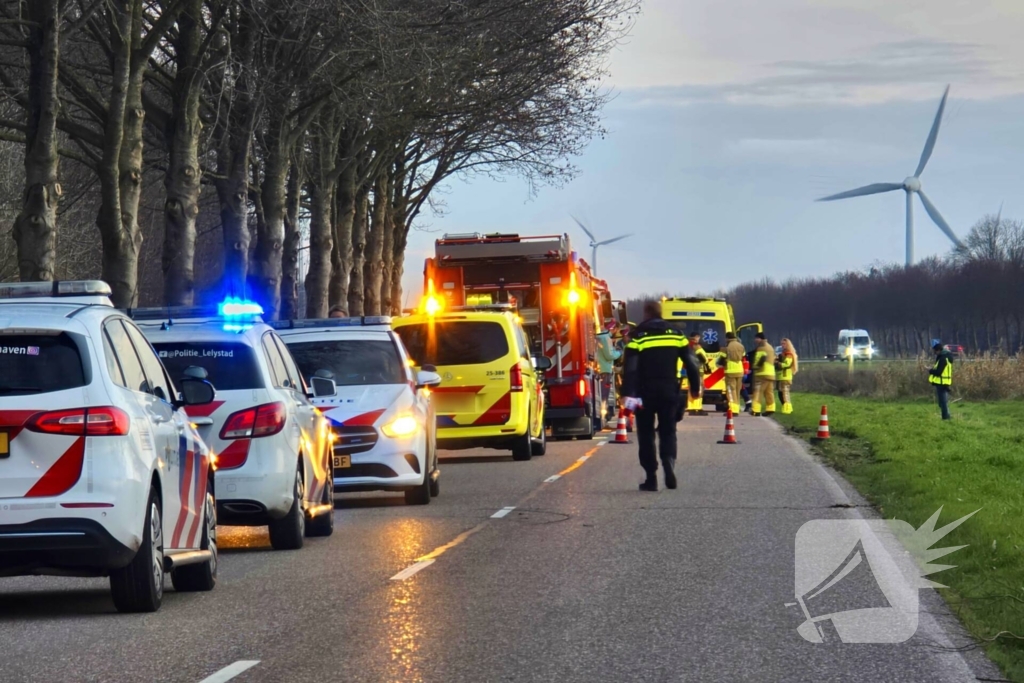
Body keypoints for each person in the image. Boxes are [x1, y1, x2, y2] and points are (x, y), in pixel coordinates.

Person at [623, 301, 701, 492]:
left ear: (646, 314)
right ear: (661, 313)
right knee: (668, 431)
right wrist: (695, 387)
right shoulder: (676, 335)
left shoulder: (638, 337)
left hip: (644, 393)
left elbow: (631, 369)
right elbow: (692, 363)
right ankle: (668, 460)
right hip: (669, 390)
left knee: (646, 434)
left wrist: (627, 394)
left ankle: (651, 478)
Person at [596, 328, 621, 413]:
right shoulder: (605, 338)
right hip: (605, 369)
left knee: (602, 393)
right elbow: (609, 356)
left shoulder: (600, 336)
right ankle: (603, 412)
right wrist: (619, 352)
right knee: (604, 394)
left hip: (601, 369)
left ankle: (603, 411)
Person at [751, 332, 776, 416]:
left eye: (756, 338)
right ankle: (771, 408)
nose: (755, 340)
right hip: (770, 373)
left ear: (760, 339)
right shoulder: (770, 347)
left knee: (758, 392)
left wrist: (754, 367)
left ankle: (756, 410)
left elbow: (758, 360)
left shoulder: (761, 348)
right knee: (769, 392)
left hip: (762, 373)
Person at [686, 333, 710, 416]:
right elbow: (704, 359)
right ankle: (697, 407)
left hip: (690, 370)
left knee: (691, 388)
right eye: (698, 337)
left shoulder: (687, 345)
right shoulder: (697, 347)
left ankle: (691, 407)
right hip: (698, 370)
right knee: (699, 388)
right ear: (696, 337)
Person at [928, 339, 953, 420]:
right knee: (943, 402)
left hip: (941, 382)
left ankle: (946, 418)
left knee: (942, 403)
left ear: (939, 350)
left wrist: (930, 370)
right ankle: (947, 416)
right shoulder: (947, 357)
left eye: (935, 351)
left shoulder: (942, 359)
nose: (935, 353)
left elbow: (939, 372)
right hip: (945, 382)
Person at [722, 331, 746, 414]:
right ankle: (737, 408)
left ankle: (733, 409)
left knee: (731, 391)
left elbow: (721, 359)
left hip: (730, 370)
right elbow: (743, 356)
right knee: (737, 390)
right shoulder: (741, 346)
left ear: (727, 338)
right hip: (739, 370)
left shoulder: (726, 347)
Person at [776, 338, 799, 414]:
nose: (782, 345)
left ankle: (787, 409)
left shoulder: (789, 354)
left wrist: (777, 363)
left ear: (788, 344)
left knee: (785, 394)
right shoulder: (783, 353)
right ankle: (785, 408)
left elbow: (786, 364)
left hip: (785, 376)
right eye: (781, 344)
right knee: (780, 393)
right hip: (780, 376)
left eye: (784, 344)